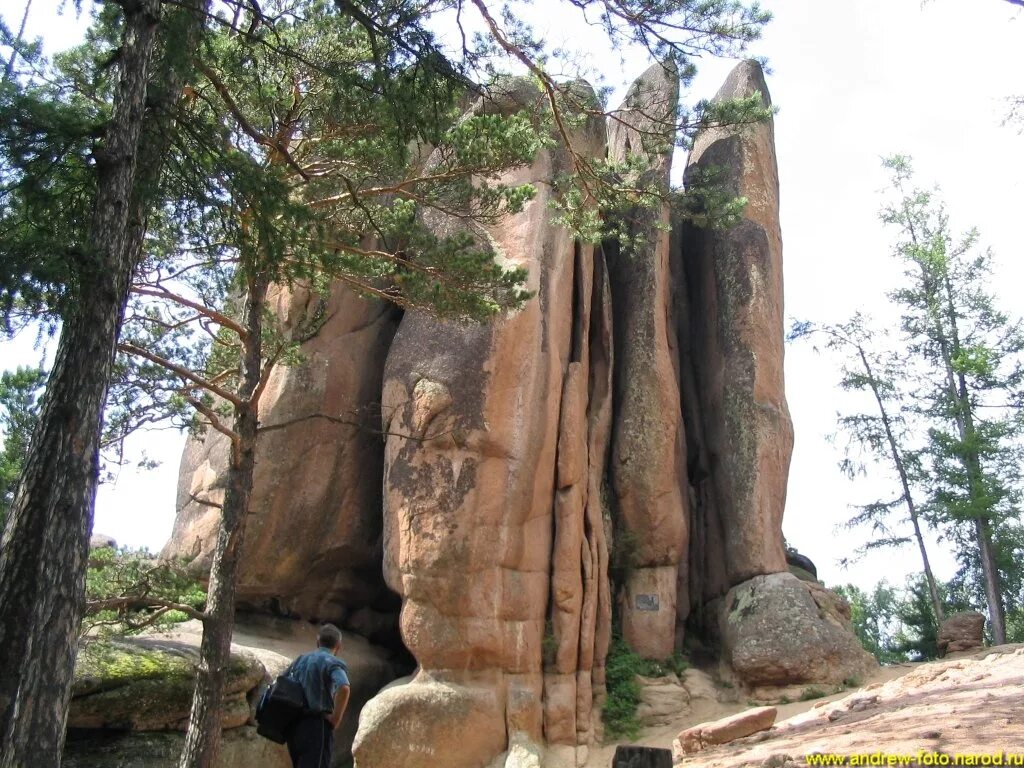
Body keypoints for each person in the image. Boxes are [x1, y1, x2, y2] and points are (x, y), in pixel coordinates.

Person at [285, 623, 351, 768]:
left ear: (317, 642)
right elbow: (344, 687)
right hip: (317, 725)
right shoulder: (332, 662)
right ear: (338, 646)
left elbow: (283, 684)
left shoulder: (300, 660)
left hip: (294, 727)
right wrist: (336, 719)